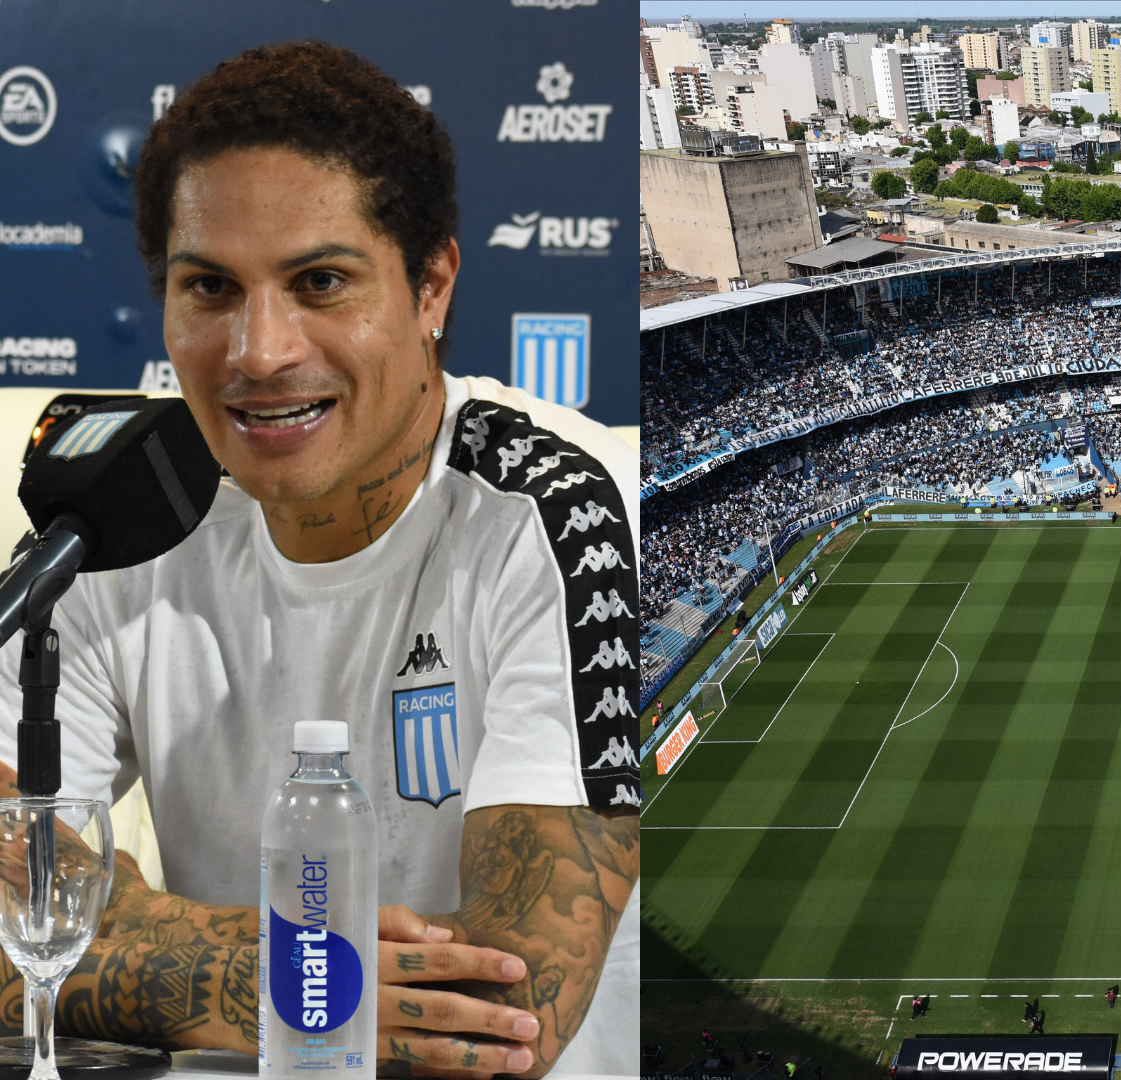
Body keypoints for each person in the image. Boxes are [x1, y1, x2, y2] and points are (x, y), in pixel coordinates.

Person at [0, 41, 643, 1075]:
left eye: (320, 281)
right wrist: (261, 975)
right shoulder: (118, 514)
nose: (258, 351)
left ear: (432, 285)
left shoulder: (551, 504)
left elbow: (503, 1012)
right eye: (208, 287)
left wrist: (139, 932)